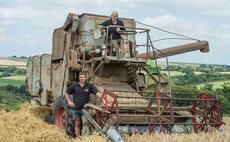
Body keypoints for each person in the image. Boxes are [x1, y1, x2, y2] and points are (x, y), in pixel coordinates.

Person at [64, 72, 101, 137]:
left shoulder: (89, 86)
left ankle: (85, 138)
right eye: (81, 77)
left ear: (85, 78)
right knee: (77, 124)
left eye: (83, 77)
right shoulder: (74, 85)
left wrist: (102, 97)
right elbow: (66, 93)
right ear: (79, 78)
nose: (82, 78)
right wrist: (69, 102)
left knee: (85, 124)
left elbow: (97, 92)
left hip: (85, 110)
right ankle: (78, 138)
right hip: (76, 109)